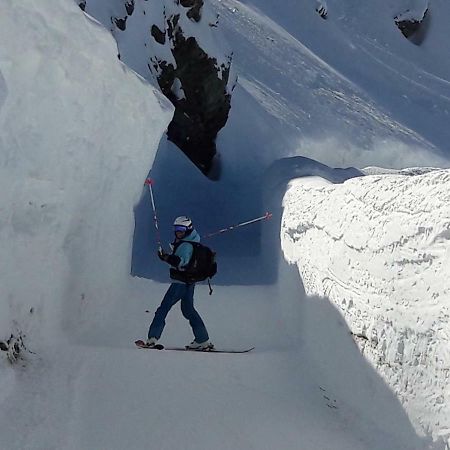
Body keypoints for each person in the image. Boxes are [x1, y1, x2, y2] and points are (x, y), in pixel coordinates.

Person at [146, 216, 213, 350]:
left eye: (181, 229)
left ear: (188, 229)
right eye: (176, 229)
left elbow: (181, 262)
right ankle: (202, 339)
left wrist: (166, 257)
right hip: (189, 281)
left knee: (163, 308)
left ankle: (152, 338)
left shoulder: (186, 245)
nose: (178, 232)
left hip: (180, 282)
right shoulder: (193, 241)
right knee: (188, 310)